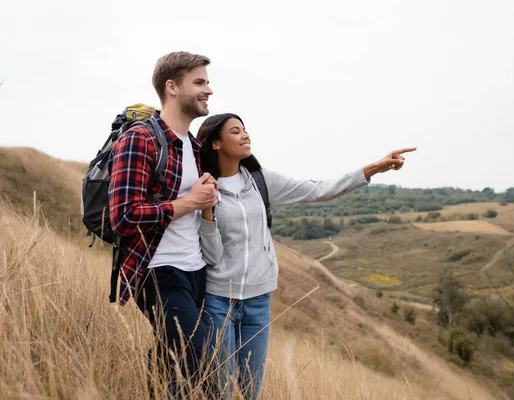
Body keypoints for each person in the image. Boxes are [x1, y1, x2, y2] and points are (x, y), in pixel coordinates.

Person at [196, 113, 416, 399]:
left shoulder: (261, 181)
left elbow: (318, 189)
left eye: (245, 130)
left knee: (249, 389)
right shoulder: (203, 187)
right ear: (215, 143)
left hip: (258, 301)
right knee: (221, 390)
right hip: (217, 301)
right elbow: (211, 256)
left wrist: (374, 167)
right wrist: (207, 211)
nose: (246, 136)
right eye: (236, 132)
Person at [108, 51, 223, 392]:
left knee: (172, 364)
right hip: (158, 271)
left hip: (195, 272)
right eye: (199, 82)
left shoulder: (194, 145)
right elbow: (123, 216)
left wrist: (206, 204)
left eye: (208, 82)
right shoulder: (141, 138)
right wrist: (190, 202)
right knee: (205, 368)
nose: (209, 90)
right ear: (172, 87)